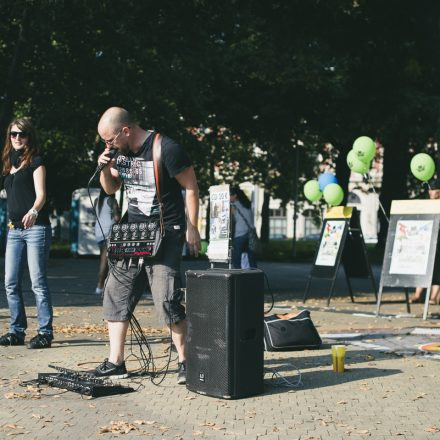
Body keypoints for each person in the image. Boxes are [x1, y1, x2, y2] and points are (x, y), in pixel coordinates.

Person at [94, 107, 200, 383]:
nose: (108, 145)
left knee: (167, 299)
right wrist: (104, 166)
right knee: (116, 293)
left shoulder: (167, 149)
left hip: (166, 232)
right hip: (133, 234)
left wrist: (193, 227)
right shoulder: (120, 154)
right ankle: (116, 362)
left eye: (110, 140)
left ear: (126, 130)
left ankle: (185, 361)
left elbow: (190, 186)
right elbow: (111, 189)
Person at [0, 118, 53, 349]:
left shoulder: (36, 162)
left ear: (29, 136)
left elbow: (41, 195)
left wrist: (33, 210)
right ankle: (16, 330)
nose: (17, 138)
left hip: (36, 229)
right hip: (14, 230)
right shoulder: (7, 163)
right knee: (10, 282)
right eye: (13, 134)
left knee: (37, 283)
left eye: (22, 134)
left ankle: (45, 332)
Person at [410, 187, 440, 305]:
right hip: (425, 237)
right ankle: (418, 294)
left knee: (437, 266)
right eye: (431, 190)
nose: (431, 192)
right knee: (422, 265)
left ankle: (433, 297)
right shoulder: (425, 204)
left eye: (434, 189)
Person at [94, 188, 120, 295]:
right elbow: (117, 218)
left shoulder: (97, 200)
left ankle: (104, 285)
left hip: (98, 232)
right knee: (105, 261)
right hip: (108, 232)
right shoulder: (112, 201)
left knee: (104, 259)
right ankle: (100, 285)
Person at [230, 185, 257, 269]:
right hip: (250, 234)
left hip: (239, 235)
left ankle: (238, 278)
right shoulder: (247, 205)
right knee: (251, 258)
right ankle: (254, 276)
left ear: (235, 196)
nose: (228, 197)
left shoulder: (233, 206)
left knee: (236, 259)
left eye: (229, 195)